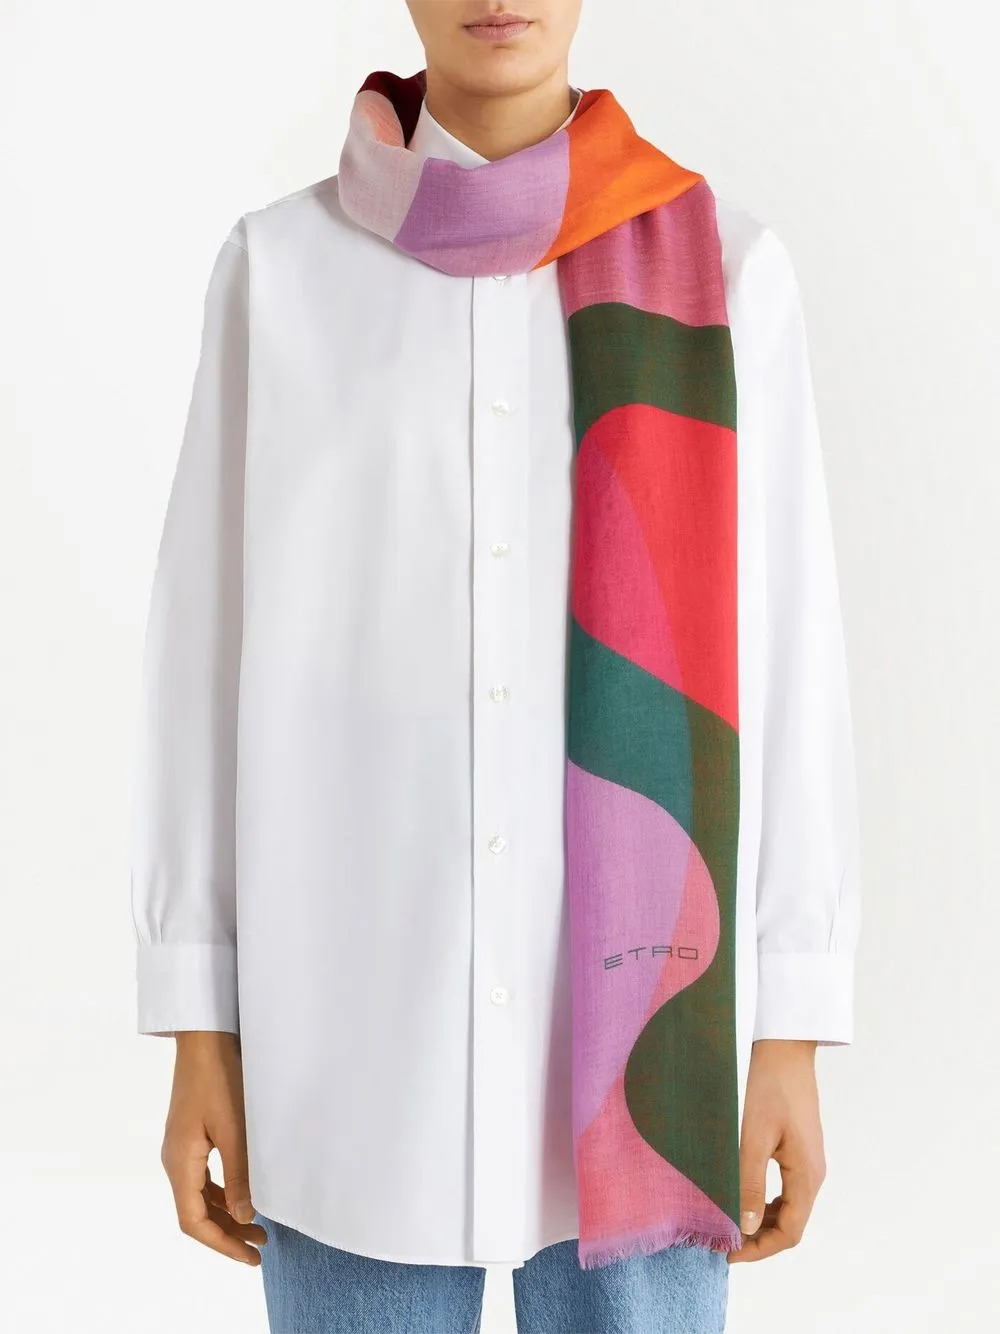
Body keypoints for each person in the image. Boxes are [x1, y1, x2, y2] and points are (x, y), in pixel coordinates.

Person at [130, 3, 861, 1331]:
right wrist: (197, 1022)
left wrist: (792, 1026)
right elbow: (199, 662)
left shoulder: (728, 272)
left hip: (656, 1059)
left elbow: (791, 656)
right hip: (354, 1038)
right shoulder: (279, 274)